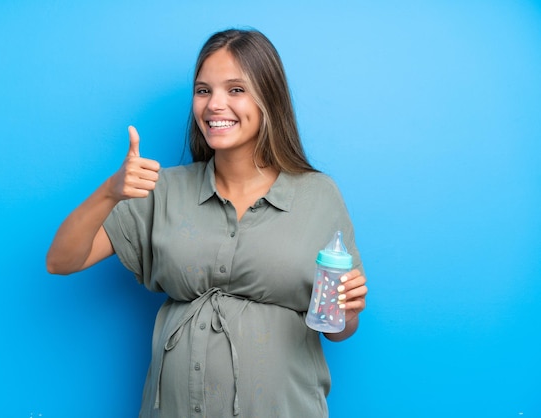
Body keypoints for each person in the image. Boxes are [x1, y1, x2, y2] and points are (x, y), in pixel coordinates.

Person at [47, 28, 367, 418]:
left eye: (235, 90)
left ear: (269, 98)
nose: (215, 104)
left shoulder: (318, 195)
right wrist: (110, 191)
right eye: (203, 91)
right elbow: (61, 261)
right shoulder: (163, 190)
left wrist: (346, 312)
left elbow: (338, 330)